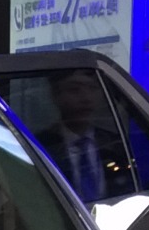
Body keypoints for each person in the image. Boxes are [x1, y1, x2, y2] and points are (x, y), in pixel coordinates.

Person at [34, 69, 134, 205]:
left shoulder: (116, 144)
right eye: (74, 90)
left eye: (93, 88)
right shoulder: (39, 147)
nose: (86, 98)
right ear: (55, 95)